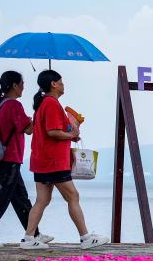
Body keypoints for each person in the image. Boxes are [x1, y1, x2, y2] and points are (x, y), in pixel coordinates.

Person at [20, 70, 109, 250]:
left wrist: (70, 135)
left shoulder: (43, 104)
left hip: (41, 160)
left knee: (42, 200)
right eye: (61, 82)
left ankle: (28, 238)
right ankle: (85, 238)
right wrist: (72, 134)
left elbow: (49, 131)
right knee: (73, 196)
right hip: (53, 161)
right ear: (53, 84)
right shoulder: (51, 103)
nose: (63, 84)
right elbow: (52, 131)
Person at [0, 71, 53, 247]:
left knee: (20, 198)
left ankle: (34, 234)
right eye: (22, 84)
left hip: (6, 158)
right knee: (1, 197)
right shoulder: (13, 105)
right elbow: (29, 129)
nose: (23, 87)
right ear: (15, 85)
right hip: (10, 158)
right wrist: (40, 109)